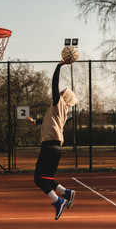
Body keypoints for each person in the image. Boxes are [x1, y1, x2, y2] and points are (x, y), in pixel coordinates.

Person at [26, 59, 77, 220]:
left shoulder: (58, 103)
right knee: (46, 177)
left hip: (50, 146)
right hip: (53, 147)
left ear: (64, 97)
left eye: (63, 92)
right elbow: (47, 121)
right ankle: (66, 192)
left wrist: (58, 67)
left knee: (38, 179)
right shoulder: (60, 110)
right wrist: (35, 121)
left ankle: (58, 201)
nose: (61, 92)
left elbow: (54, 85)